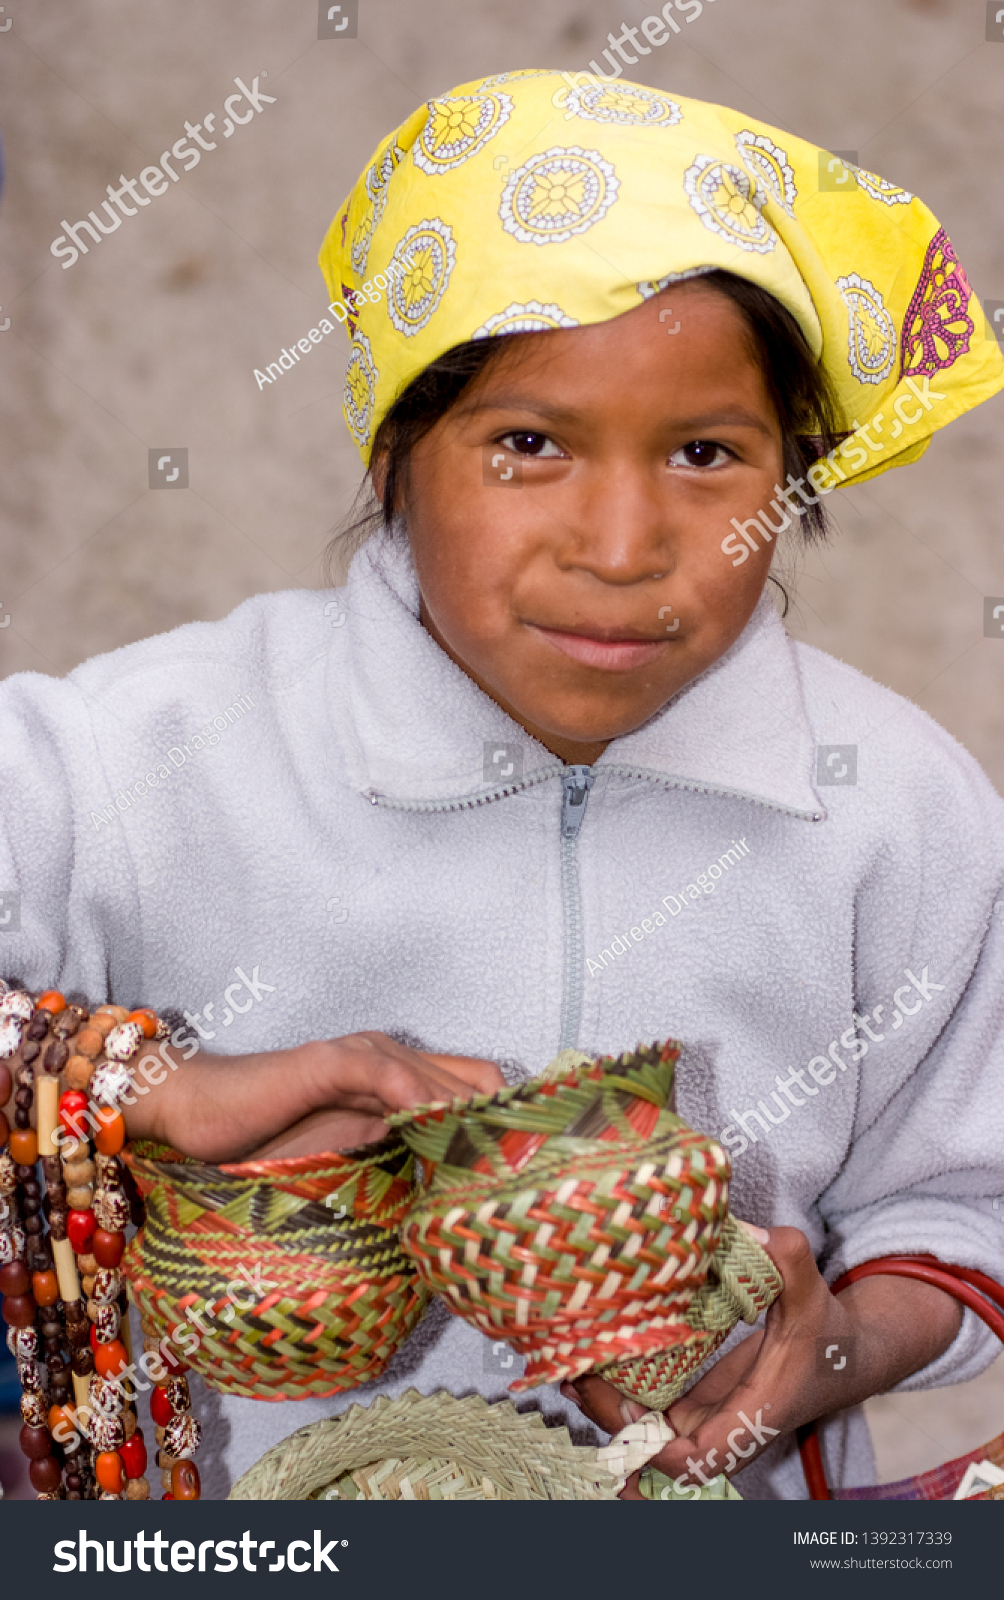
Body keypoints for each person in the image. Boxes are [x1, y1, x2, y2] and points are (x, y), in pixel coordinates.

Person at [3, 69, 1003, 1500]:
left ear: (796, 477)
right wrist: (150, 1085)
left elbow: (963, 1204)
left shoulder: (898, 809)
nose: (618, 542)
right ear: (396, 447)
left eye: (708, 454)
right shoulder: (134, 755)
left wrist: (836, 1349)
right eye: (528, 443)